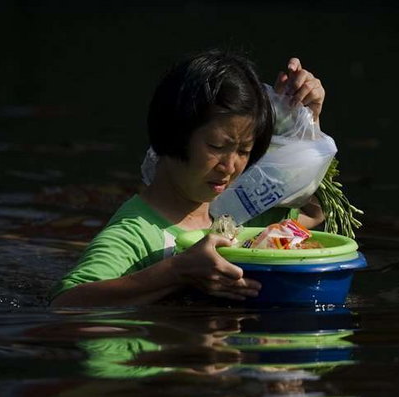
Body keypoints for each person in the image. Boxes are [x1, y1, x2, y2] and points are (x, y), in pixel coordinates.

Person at [49, 49, 327, 307]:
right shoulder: (135, 235)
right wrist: (176, 271)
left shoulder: (240, 211)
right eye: (216, 147)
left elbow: (314, 211)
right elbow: (65, 303)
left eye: (244, 150)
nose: (230, 166)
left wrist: (301, 124)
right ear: (172, 134)